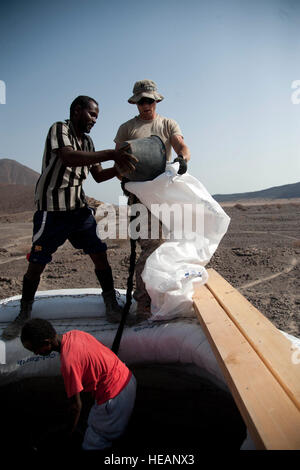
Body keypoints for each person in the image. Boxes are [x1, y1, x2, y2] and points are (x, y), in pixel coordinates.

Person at [2, 96, 137, 340]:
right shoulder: (59, 128)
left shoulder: (87, 141)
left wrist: (121, 169)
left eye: (97, 116)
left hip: (78, 209)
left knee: (99, 253)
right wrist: (111, 153)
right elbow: (68, 157)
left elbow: (97, 175)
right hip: (52, 211)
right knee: (37, 263)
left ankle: (110, 305)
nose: (95, 120)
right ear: (77, 111)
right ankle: (23, 313)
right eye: (92, 114)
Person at [114, 80, 191, 321]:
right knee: (152, 246)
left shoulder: (167, 124)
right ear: (135, 102)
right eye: (140, 101)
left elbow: (180, 144)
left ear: (156, 100)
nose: (145, 105)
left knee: (167, 247)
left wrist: (183, 158)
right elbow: (118, 158)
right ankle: (143, 304)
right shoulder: (127, 129)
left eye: (149, 100)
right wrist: (123, 176)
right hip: (138, 196)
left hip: (163, 194)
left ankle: (158, 297)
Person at [21, 318, 136, 451]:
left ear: (46, 343)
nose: (36, 353)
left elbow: (76, 406)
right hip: (127, 379)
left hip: (114, 397)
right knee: (106, 427)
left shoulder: (69, 363)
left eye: (35, 349)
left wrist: (68, 434)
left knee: (94, 443)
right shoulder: (76, 334)